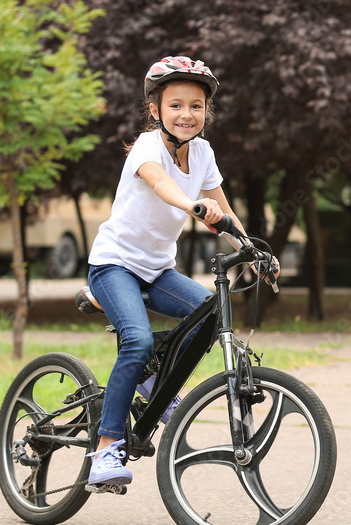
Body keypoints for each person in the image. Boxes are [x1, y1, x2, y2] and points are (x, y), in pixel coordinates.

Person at [84, 55, 250, 487]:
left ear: (206, 113)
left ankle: (154, 380)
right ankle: (105, 452)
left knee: (211, 313)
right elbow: (161, 183)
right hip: (114, 265)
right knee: (135, 340)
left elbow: (225, 211)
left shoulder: (203, 153)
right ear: (156, 110)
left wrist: (251, 251)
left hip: (156, 271)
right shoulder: (147, 146)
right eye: (175, 105)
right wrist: (193, 206)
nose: (186, 114)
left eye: (196, 106)